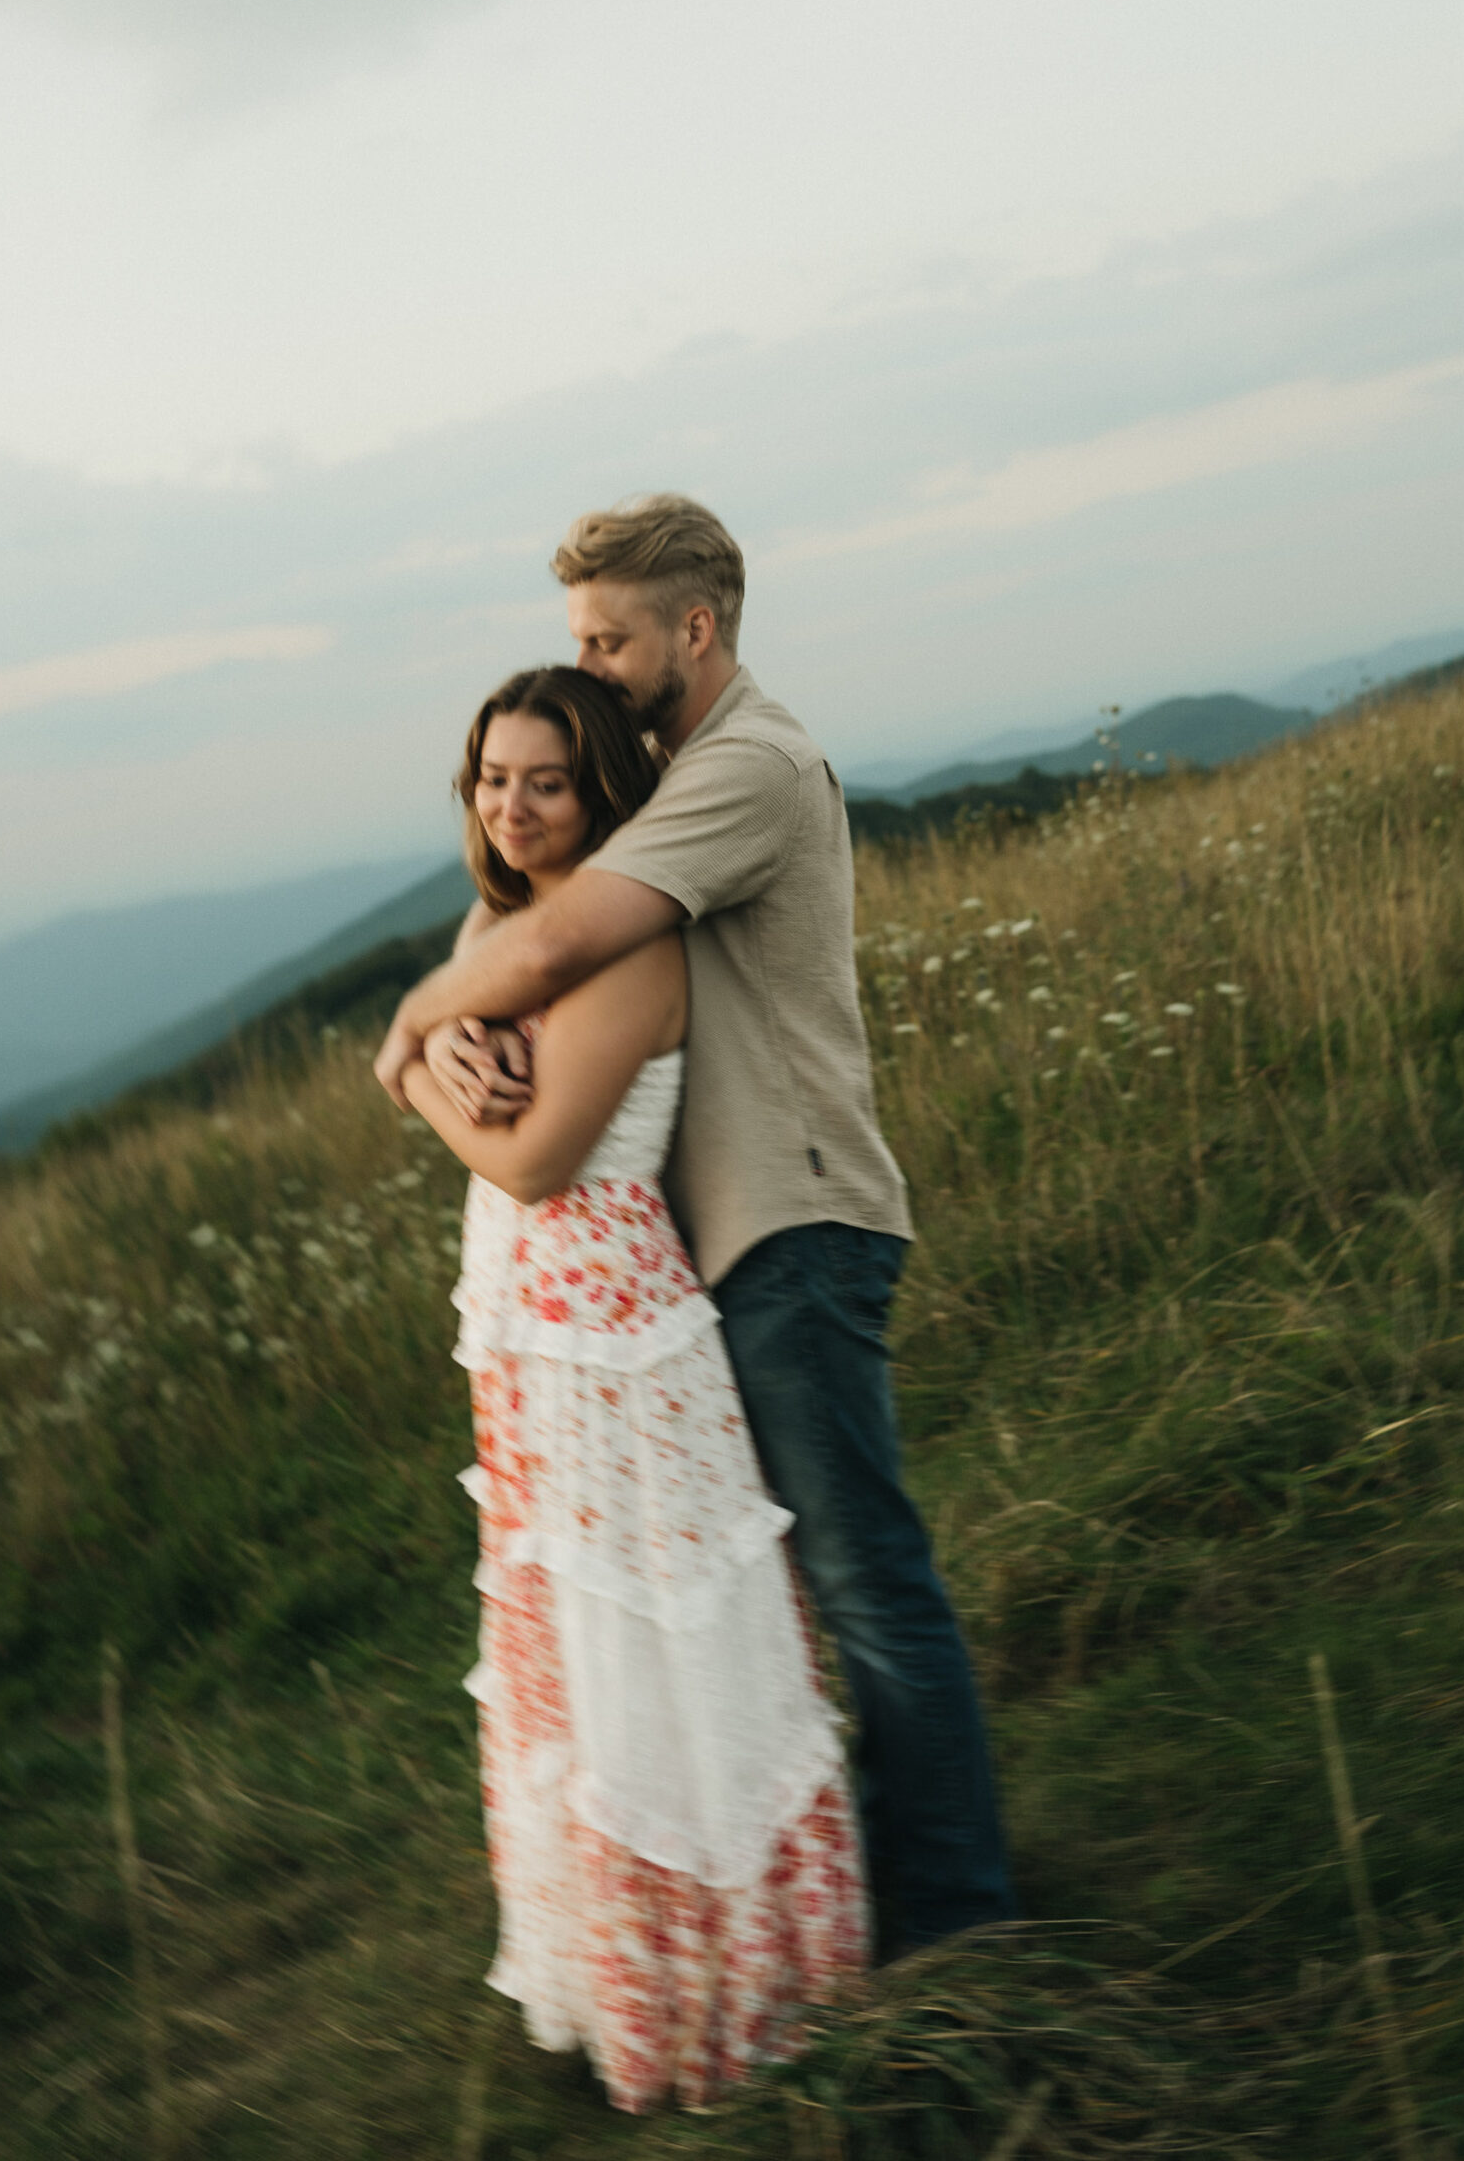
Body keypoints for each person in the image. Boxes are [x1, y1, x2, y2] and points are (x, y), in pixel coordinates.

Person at [376, 495, 1016, 1959]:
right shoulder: (658, 767)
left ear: (697, 628)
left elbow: (561, 938)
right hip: (713, 1239)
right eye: (577, 639)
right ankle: (833, 1901)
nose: (590, 664)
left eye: (609, 637)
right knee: (789, 1594)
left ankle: (964, 1930)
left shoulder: (750, 765)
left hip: (787, 1218)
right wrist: (471, 1027)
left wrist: (410, 1028)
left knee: (866, 1585)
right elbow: (520, 910)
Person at [398, 662, 867, 2113]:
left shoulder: (626, 946)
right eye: (492, 778)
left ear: (603, 787)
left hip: (614, 1333)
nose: (514, 805)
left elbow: (536, 1162)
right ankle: (626, 1976)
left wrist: (409, 1068)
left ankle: (733, 1976)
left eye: (545, 778)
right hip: (531, 1341)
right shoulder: (502, 929)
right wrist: (430, 1045)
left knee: (654, 1638)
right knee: (578, 1651)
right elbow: (470, 1075)